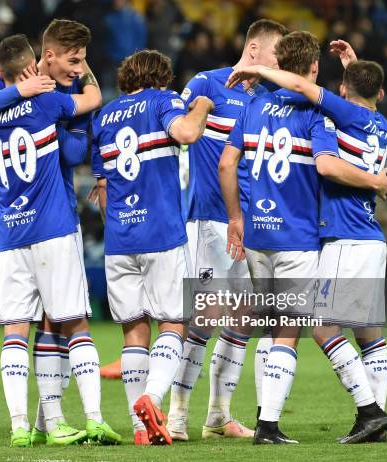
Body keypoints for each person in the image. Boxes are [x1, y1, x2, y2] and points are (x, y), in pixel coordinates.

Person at [219, 31, 387, 444]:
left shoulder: (253, 104)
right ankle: (364, 413)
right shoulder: (322, 114)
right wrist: (377, 182)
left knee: (279, 325)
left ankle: (270, 421)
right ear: (315, 69)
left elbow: (227, 163)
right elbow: (329, 163)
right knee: (316, 328)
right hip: (304, 235)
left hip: (259, 235)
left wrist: (236, 218)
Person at [0, 34, 120, 448]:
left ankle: (19, 426)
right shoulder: (47, 103)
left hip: (11, 235)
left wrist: (12, 89)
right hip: (52, 229)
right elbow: (91, 103)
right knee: (76, 324)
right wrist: (84, 75)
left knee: (15, 331)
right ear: (33, 66)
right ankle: (95, 419)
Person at [167, 19, 289, 442]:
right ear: (254, 49)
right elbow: (181, 132)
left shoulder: (270, 99)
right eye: (276, 55)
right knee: (202, 320)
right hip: (209, 220)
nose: (280, 65)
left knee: (244, 320)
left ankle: (219, 415)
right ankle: (176, 415)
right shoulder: (208, 84)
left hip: (251, 224)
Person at [92, 49, 214, 445]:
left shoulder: (104, 116)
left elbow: (104, 190)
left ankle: (138, 428)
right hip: (161, 233)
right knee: (174, 323)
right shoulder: (164, 100)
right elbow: (186, 133)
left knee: (133, 332)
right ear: (161, 77)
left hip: (119, 239)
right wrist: (202, 106)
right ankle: (152, 398)